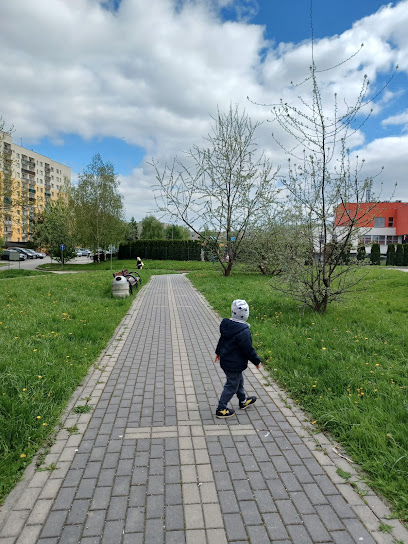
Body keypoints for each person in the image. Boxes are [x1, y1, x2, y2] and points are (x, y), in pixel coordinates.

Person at [214, 299, 261, 418]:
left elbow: (222, 340)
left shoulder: (228, 325)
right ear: (246, 315)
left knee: (239, 381)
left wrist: (218, 352)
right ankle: (221, 408)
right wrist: (256, 361)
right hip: (234, 364)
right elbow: (248, 349)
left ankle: (243, 401)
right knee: (232, 385)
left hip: (227, 361)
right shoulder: (243, 332)